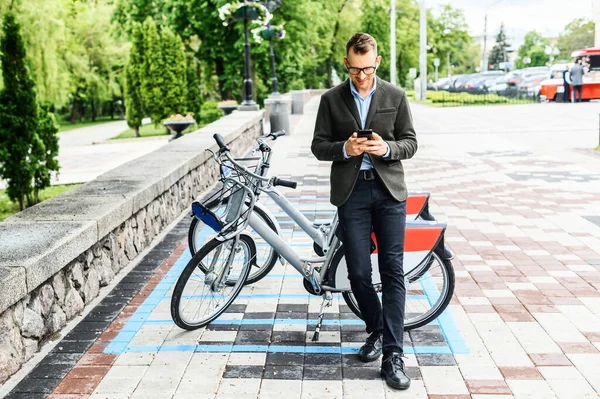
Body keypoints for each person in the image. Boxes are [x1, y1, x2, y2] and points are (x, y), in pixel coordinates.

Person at [311, 33, 417, 391]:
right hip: (351, 193)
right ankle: (377, 328)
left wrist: (386, 148)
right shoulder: (330, 99)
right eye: (355, 69)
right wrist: (345, 148)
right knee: (357, 272)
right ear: (346, 64)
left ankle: (393, 355)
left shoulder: (395, 96)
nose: (361, 76)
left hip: (389, 193)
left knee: (392, 270)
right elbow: (318, 146)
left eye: (367, 68)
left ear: (378, 62)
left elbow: (411, 142)